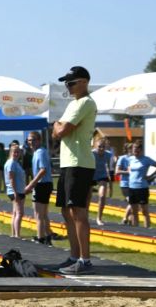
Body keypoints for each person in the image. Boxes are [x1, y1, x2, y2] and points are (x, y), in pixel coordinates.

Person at [52, 66, 97, 275]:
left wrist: (58, 126)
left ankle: (84, 259)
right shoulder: (73, 104)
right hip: (69, 162)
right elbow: (57, 131)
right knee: (66, 211)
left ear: (84, 82)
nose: (67, 86)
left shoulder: (86, 103)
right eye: (66, 83)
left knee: (78, 212)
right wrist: (58, 127)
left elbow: (61, 130)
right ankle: (74, 256)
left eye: (71, 83)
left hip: (79, 163)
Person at [24, 131, 54, 245]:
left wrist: (31, 184)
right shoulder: (39, 152)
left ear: (39, 140)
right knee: (43, 213)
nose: (31, 142)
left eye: (33, 139)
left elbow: (43, 170)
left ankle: (41, 237)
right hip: (45, 184)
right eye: (29, 140)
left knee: (38, 214)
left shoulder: (40, 152)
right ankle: (47, 235)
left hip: (42, 184)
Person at [127, 140, 156, 228]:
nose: (135, 151)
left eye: (137, 149)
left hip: (142, 187)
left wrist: (150, 176)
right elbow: (129, 168)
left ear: (140, 150)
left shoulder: (146, 159)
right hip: (131, 187)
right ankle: (135, 229)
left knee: (144, 211)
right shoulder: (131, 159)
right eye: (134, 149)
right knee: (134, 211)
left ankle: (147, 230)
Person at [5, 143, 26, 238]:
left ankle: (14, 233)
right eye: (15, 152)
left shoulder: (15, 163)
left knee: (15, 212)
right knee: (19, 213)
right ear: (11, 152)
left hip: (18, 190)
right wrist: (15, 192)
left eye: (18, 152)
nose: (16, 154)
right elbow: (11, 178)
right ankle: (17, 234)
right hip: (16, 191)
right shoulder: (12, 163)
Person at [92, 138, 112, 226]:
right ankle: (85, 215)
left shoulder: (108, 155)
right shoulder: (92, 153)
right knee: (87, 198)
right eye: (99, 147)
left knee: (102, 196)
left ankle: (99, 218)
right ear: (95, 146)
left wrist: (110, 185)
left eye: (103, 147)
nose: (101, 149)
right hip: (91, 175)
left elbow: (109, 168)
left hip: (102, 176)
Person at [115, 143, 133, 225]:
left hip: (134, 184)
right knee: (132, 202)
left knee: (133, 203)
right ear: (127, 149)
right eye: (131, 148)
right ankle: (125, 218)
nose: (133, 150)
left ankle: (130, 220)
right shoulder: (122, 158)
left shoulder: (135, 159)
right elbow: (117, 172)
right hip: (125, 184)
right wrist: (128, 172)